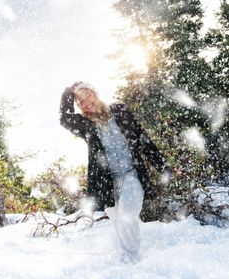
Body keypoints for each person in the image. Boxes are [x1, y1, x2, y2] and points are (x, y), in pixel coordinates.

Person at [60, 81, 171, 263]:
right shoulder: (84, 124)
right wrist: (68, 91)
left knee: (127, 218)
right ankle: (133, 256)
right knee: (120, 223)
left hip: (131, 174)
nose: (86, 101)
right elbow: (64, 119)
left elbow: (142, 138)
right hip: (106, 184)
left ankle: (132, 260)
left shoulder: (119, 111)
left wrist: (163, 166)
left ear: (95, 93)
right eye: (80, 100)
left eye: (88, 95)